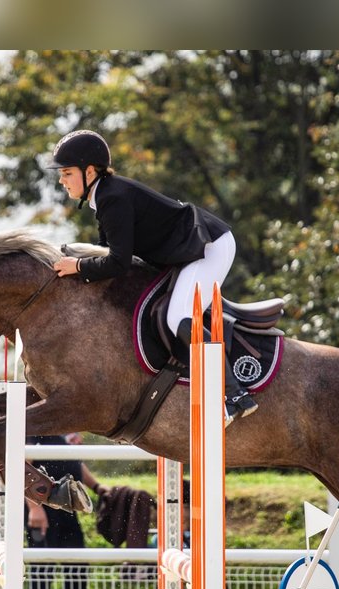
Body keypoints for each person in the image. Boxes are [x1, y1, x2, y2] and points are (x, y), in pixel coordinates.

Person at [47, 129, 258, 426]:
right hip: (191, 251)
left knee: (178, 317)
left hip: (209, 247)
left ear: (89, 171)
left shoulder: (112, 198)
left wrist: (78, 267)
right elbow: (112, 254)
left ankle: (235, 394)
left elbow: (118, 263)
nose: (62, 180)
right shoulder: (104, 196)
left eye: (67, 173)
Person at [24, 433, 105, 589]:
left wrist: (97, 487)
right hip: (42, 511)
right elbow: (21, 467)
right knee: (42, 571)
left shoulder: (61, 431)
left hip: (67, 509)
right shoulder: (33, 428)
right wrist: (34, 508)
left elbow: (74, 463)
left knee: (77, 566)